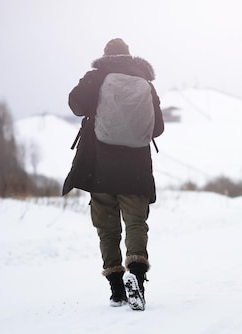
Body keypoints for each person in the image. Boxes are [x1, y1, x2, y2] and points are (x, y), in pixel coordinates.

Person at [65, 38, 164, 310]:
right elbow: (157, 129)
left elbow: (75, 105)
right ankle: (137, 277)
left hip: (100, 167)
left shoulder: (96, 77)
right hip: (136, 169)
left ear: (106, 56)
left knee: (107, 229)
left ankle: (117, 289)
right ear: (129, 56)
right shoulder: (145, 82)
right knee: (135, 223)